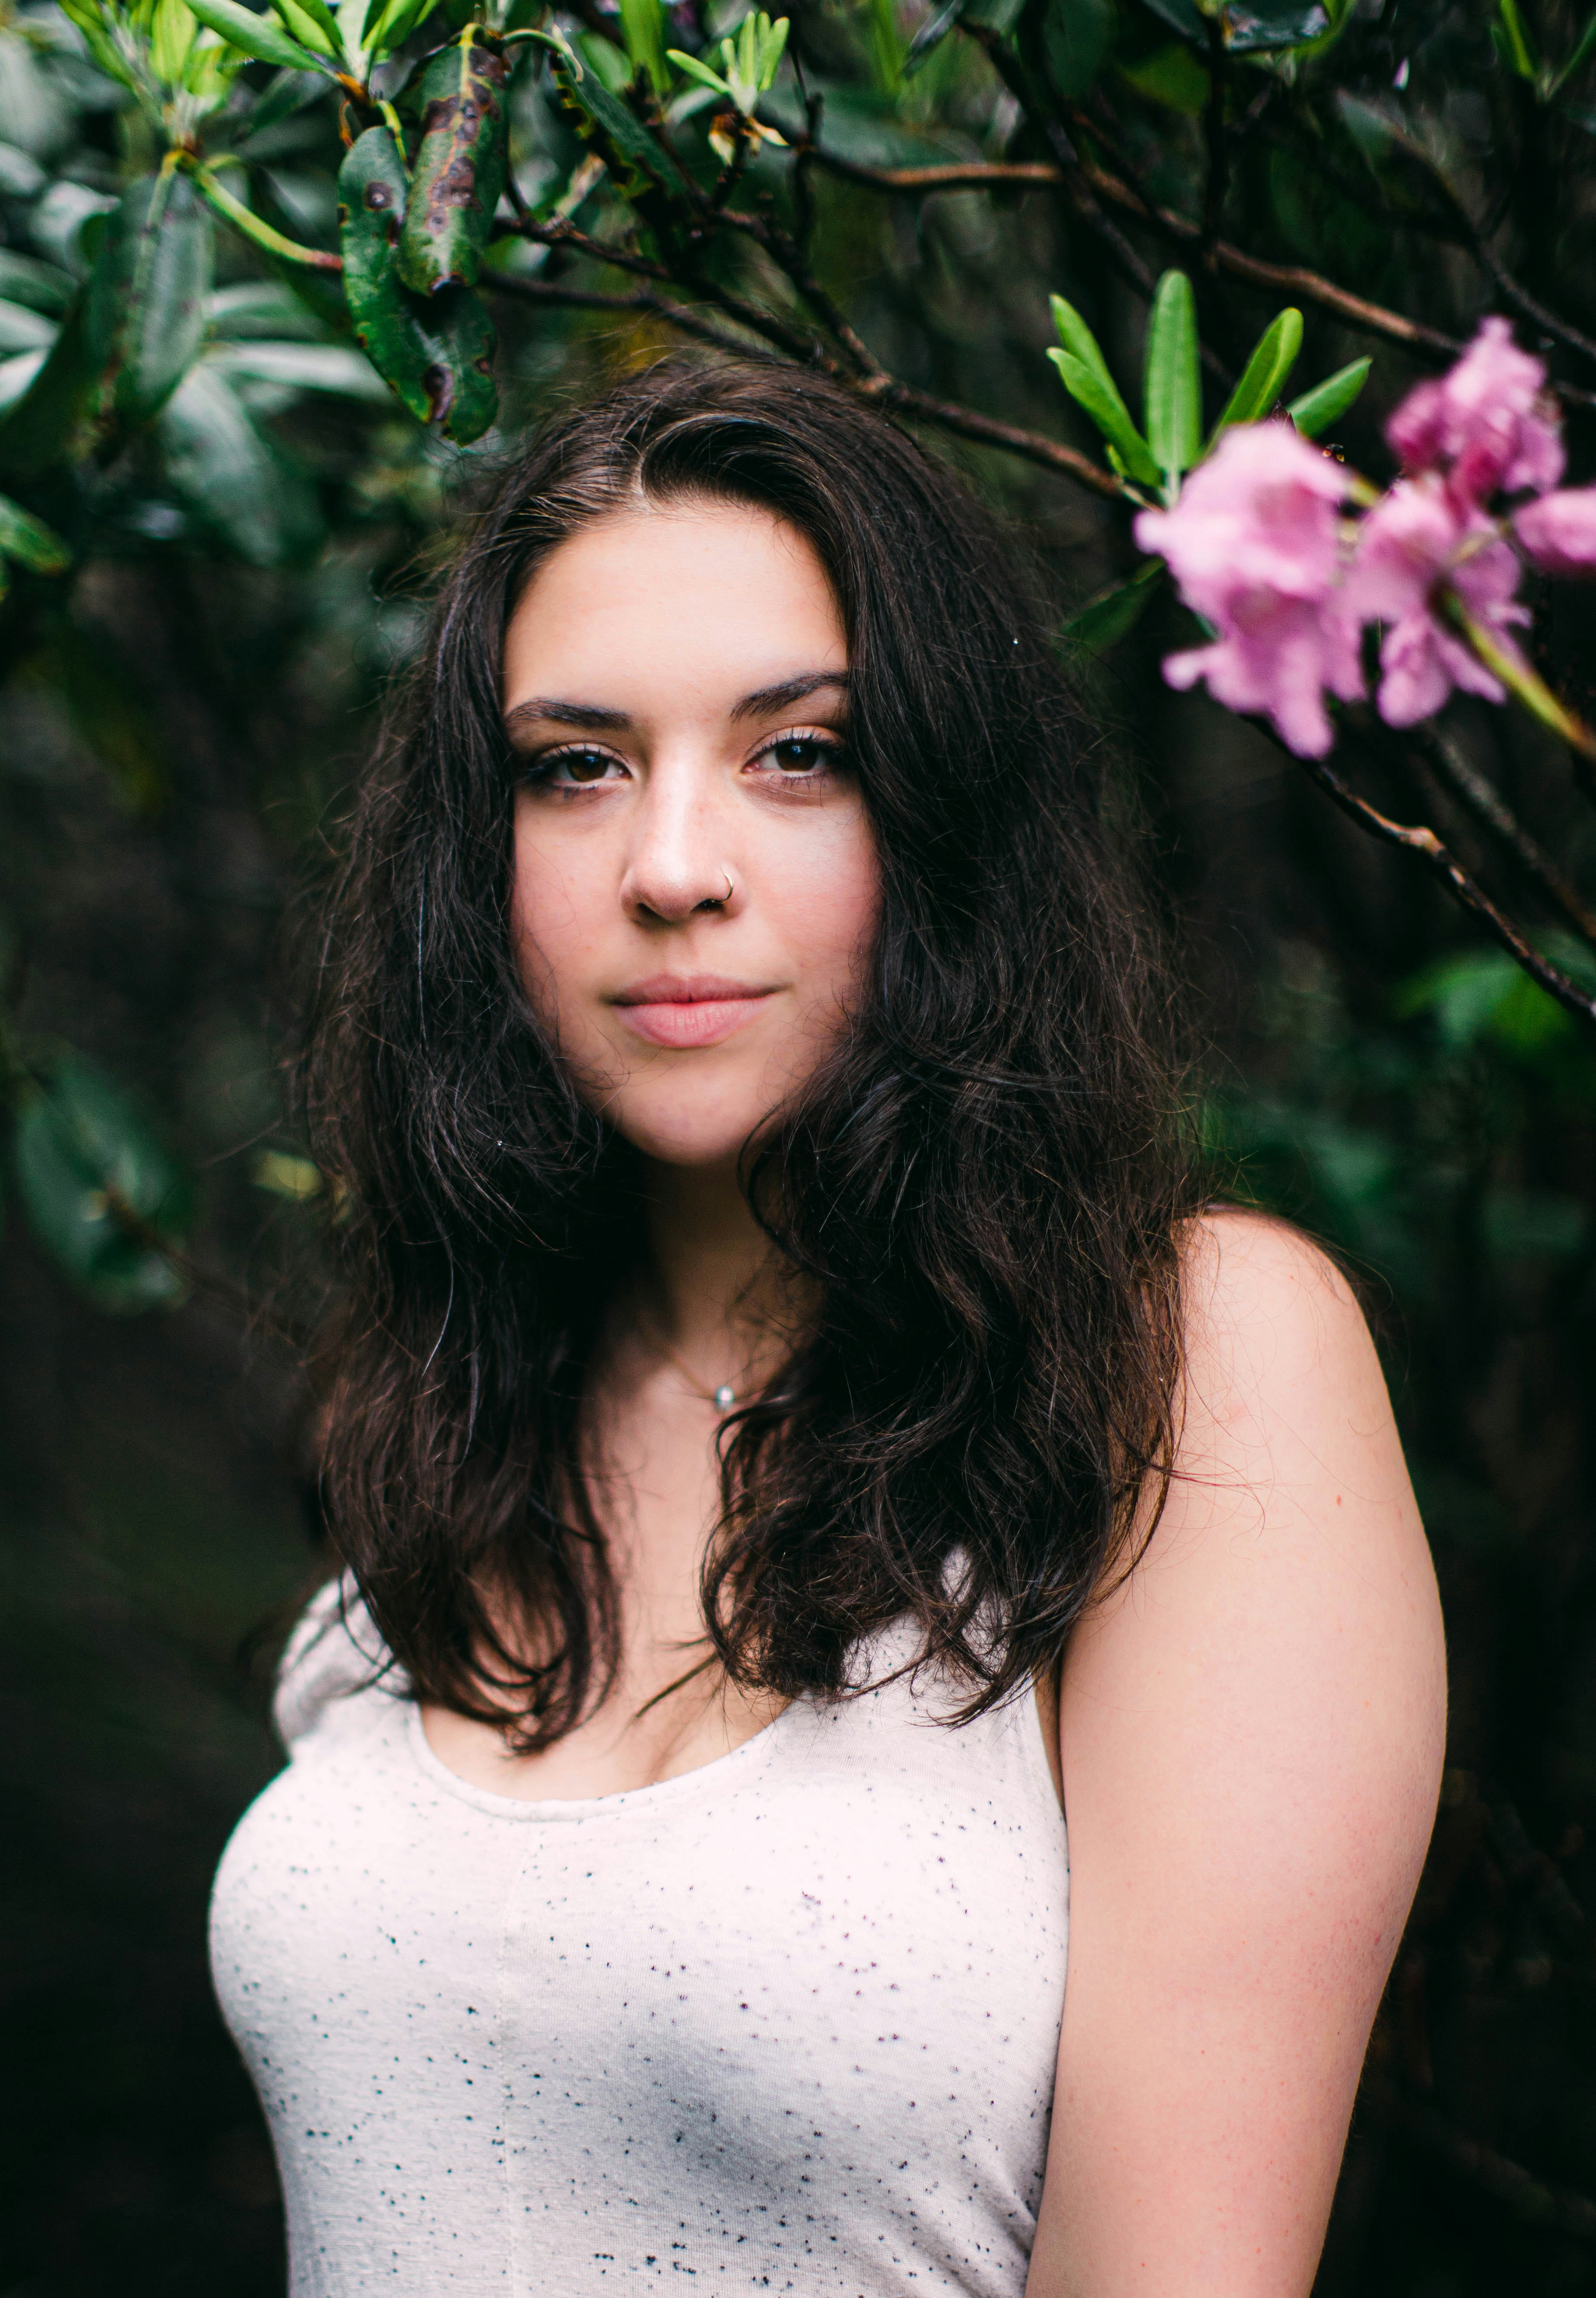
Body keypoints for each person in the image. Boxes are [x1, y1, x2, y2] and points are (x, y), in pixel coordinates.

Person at [209, 358, 1445, 2296]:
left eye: (797, 753)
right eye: (574, 763)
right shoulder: (454, 1397)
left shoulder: (1190, 1369)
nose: (669, 865)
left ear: (939, 810)